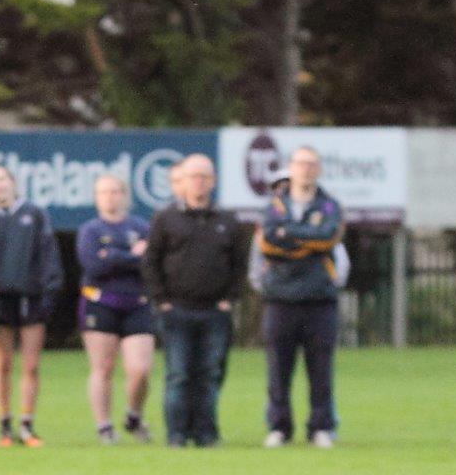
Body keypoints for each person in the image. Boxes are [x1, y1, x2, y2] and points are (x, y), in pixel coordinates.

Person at [142, 154, 246, 447]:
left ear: (212, 181)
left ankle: (206, 433)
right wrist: (161, 300)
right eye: (193, 176)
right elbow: (151, 261)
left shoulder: (228, 220)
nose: (199, 182)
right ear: (182, 181)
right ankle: (176, 434)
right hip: (177, 309)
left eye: (204, 176)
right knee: (179, 374)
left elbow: (239, 264)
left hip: (215, 311)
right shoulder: (165, 219)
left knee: (209, 374)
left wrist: (230, 298)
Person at [249, 149, 346, 448]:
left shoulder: (330, 206)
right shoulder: (272, 207)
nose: (306, 169)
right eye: (300, 164)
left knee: (320, 369)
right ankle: (279, 427)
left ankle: (321, 427)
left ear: (318, 169)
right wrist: (308, 240)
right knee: (278, 369)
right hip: (280, 298)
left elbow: (327, 238)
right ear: (290, 168)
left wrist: (290, 237)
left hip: (319, 299)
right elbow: (268, 243)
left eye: (311, 164)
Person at [0, 166, 62, 448]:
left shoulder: (34, 214)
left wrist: (48, 291)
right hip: (1, 300)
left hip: (31, 297)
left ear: (12, 182)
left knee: (31, 364)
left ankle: (27, 425)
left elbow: (49, 255)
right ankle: (5, 425)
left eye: (1, 179)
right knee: (2, 363)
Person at [76, 174, 155, 444]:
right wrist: (132, 255)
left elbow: (150, 263)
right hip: (101, 303)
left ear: (124, 195)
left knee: (140, 369)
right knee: (103, 367)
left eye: (115, 191)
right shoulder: (90, 230)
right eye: (103, 192)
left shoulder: (141, 227)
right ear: (96, 197)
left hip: (136, 303)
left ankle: (133, 415)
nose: (110, 197)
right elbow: (94, 266)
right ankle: (104, 426)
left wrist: (114, 256)